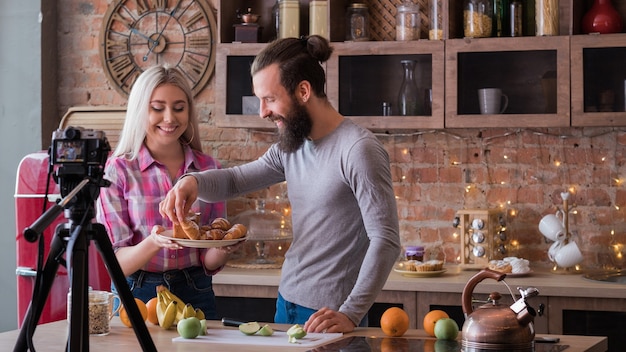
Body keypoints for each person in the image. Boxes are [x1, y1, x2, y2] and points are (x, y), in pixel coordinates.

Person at [159, 35, 400, 333]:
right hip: (286, 301)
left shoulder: (358, 149)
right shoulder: (294, 145)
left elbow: (385, 239)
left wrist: (351, 313)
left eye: (270, 99)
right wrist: (190, 182)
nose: (262, 112)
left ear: (303, 91)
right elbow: (235, 180)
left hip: (329, 314)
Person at [95, 65, 237, 319]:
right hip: (135, 293)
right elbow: (115, 263)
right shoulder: (118, 170)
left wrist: (223, 247)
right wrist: (154, 242)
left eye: (179, 108)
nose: (170, 118)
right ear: (140, 111)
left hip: (196, 290)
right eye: (158, 108)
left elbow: (208, 260)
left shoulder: (209, 169)